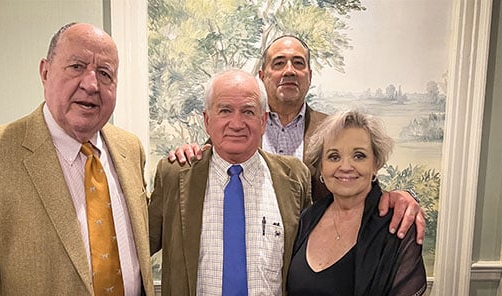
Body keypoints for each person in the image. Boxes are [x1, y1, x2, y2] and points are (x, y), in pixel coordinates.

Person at [0, 23, 155, 296]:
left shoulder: (130, 149)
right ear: (45, 72)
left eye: (105, 73)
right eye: (77, 66)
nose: (91, 84)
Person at [167, 35, 426, 244]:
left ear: (310, 76)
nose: (289, 70)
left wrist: (403, 194)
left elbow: (362, 184)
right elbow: (209, 166)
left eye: (298, 63)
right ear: (262, 76)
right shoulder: (240, 130)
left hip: (314, 266)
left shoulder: (332, 132)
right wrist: (188, 152)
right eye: (279, 63)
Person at [148, 69, 313, 296]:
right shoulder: (176, 174)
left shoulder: (294, 177)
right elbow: (138, 243)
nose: (237, 123)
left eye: (248, 112)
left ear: (263, 120)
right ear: (207, 120)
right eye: (225, 111)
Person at [258, 111, 426, 296]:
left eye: (359, 156)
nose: (346, 166)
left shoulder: (398, 225)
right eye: (334, 157)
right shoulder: (308, 218)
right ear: (321, 167)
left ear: (376, 164)